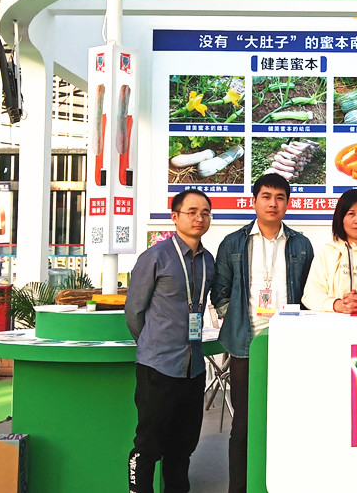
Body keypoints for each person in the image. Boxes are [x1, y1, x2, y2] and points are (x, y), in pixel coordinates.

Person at [211, 172, 313, 493]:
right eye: (266, 197)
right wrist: (235, 320)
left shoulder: (301, 244)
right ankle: (239, 488)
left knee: (288, 418)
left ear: (288, 203)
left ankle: (284, 483)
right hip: (247, 345)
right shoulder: (233, 243)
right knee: (243, 423)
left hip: (289, 345)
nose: (273, 203)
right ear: (254, 201)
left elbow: (310, 294)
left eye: (280, 198)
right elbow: (220, 291)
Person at [125, 189, 215, 493]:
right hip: (158, 367)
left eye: (205, 212)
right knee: (148, 445)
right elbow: (134, 311)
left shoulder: (208, 261)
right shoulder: (155, 257)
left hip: (193, 368)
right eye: (192, 212)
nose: (199, 218)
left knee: (183, 446)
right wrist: (153, 344)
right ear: (175, 217)